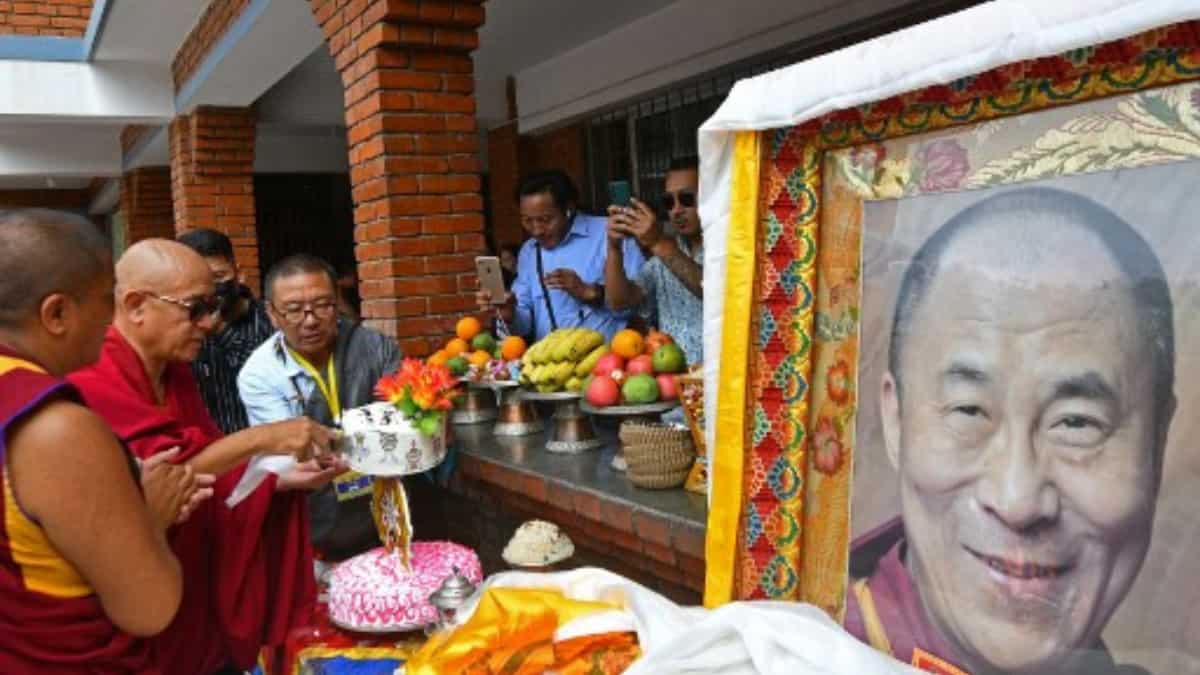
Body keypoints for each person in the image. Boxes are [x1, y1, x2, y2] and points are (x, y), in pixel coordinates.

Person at [845, 187, 1173, 675]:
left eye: (1077, 423)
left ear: (1158, 441)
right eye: (969, 411)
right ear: (896, 420)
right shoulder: (802, 651)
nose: (1018, 500)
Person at [68, 239, 341, 675]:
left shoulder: (173, 371)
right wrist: (262, 439)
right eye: (195, 309)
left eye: (214, 306)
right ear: (137, 305)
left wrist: (281, 480)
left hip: (191, 592)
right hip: (138, 599)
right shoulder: (92, 375)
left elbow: (209, 465)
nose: (210, 324)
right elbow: (162, 482)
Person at [0, 210, 211, 672]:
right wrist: (149, 517)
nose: (113, 319)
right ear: (56, 313)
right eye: (105, 299)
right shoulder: (52, 426)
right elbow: (149, 608)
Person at [238, 254, 409, 561]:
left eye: (322, 305)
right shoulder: (260, 374)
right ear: (271, 314)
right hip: (316, 511)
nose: (310, 319)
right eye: (293, 310)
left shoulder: (374, 347)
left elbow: (401, 418)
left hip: (389, 501)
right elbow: (293, 452)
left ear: (337, 303)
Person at [475, 170, 646, 342]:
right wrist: (509, 314)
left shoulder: (610, 234)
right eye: (527, 220)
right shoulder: (529, 251)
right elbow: (525, 323)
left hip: (609, 361)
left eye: (545, 219)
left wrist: (592, 293)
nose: (536, 230)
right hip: (552, 364)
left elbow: (641, 306)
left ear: (568, 209)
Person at [605, 156, 704, 365]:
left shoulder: (733, 244)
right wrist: (614, 248)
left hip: (725, 379)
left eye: (686, 199)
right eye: (669, 202)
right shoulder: (662, 259)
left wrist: (657, 241)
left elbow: (713, 291)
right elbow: (619, 302)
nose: (676, 210)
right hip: (674, 382)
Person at [178, 228, 274, 434]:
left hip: (271, 452)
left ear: (238, 274)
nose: (210, 290)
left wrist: (221, 331)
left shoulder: (271, 319)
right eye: (199, 281)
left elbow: (270, 378)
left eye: (218, 277)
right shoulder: (181, 328)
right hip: (211, 457)